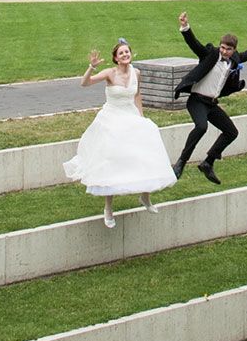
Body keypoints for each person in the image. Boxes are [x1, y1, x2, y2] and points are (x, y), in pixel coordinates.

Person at [63, 39, 176, 228]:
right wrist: (91, 67)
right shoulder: (110, 73)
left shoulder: (136, 73)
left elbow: (137, 95)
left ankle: (145, 196)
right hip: (112, 118)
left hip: (130, 115)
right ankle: (108, 208)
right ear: (116, 58)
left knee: (145, 151)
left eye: (127, 52)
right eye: (121, 53)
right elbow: (85, 83)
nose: (125, 55)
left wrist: (141, 117)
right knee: (112, 162)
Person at [171, 10, 247, 185]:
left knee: (231, 132)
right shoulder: (210, 54)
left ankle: (208, 162)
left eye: (228, 49)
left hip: (211, 104)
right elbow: (194, 44)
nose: (224, 51)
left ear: (234, 50)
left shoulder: (234, 60)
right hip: (197, 100)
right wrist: (185, 27)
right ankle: (181, 162)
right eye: (222, 48)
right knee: (201, 127)